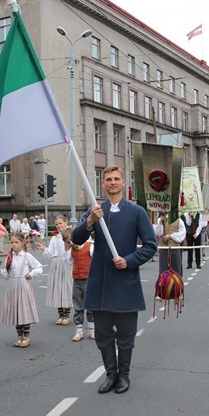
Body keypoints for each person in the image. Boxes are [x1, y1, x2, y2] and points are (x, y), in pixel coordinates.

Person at [71, 166, 157, 394]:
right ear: (103, 183)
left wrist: (129, 261)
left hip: (126, 283)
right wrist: (89, 221)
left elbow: (150, 246)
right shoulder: (96, 210)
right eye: (108, 179)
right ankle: (110, 374)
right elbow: (76, 239)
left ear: (123, 182)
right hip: (100, 284)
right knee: (104, 335)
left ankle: (124, 376)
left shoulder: (137, 212)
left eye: (116, 179)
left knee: (126, 335)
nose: (112, 182)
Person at [0, 232, 43, 348]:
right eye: (12, 242)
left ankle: (26, 336)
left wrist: (31, 274)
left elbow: (39, 267)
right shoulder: (9, 258)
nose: (13, 244)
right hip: (13, 286)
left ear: (23, 243)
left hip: (23, 285)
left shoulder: (27, 256)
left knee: (24, 310)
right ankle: (19, 336)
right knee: (16, 311)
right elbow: (7, 276)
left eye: (16, 242)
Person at [36, 216, 74, 324]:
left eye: (60, 223)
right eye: (56, 224)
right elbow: (51, 253)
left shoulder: (71, 234)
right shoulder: (54, 238)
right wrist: (44, 248)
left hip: (67, 263)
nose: (58, 226)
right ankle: (60, 314)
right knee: (57, 288)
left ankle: (66, 315)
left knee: (67, 287)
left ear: (66, 222)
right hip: (56, 264)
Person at [63, 233, 95, 341]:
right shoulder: (72, 249)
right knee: (78, 306)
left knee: (90, 306)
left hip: (88, 280)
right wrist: (67, 249)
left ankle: (92, 330)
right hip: (77, 279)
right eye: (69, 241)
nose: (71, 242)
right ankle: (79, 331)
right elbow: (67, 262)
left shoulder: (89, 246)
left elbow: (96, 260)